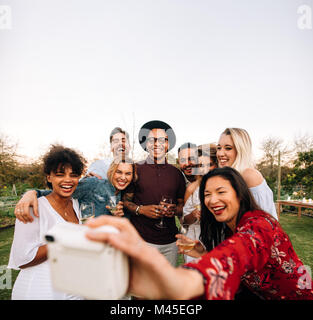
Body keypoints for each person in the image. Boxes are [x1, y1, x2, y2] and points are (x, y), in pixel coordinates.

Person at [86, 167, 313, 300]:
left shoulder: (259, 224)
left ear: (240, 194)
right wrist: (201, 251)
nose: (212, 200)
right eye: (207, 194)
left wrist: (181, 281)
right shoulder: (227, 226)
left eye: (221, 192)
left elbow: (239, 252)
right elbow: (234, 260)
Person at [8, 145, 86, 300]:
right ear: (49, 177)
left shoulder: (78, 206)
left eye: (74, 175)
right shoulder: (34, 208)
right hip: (39, 291)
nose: (68, 180)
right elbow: (22, 259)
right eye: (60, 174)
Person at [123, 120, 186, 267]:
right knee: (144, 288)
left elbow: (182, 205)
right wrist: (141, 210)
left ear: (168, 144)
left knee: (167, 287)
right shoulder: (135, 169)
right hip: (141, 240)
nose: (157, 143)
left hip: (170, 243)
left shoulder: (176, 173)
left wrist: (174, 210)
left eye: (162, 140)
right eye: (152, 139)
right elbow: (125, 202)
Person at [14, 157, 136, 222]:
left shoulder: (124, 196)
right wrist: (32, 193)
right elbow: (56, 193)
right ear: (111, 172)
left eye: (128, 173)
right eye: (119, 172)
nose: (123, 178)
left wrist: (117, 218)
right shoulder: (94, 184)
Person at [217, 128, 278, 220]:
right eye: (219, 148)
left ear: (241, 150)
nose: (220, 153)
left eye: (228, 148)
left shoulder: (250, 176)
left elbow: (266, 218)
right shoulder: (225, 177)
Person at [181, 144, 218, 263]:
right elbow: (183, 221)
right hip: (196, 239)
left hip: (217, 238)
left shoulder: (225, 185)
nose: (205, 169)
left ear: (216, 164)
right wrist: (193, 215)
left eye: (209, 165)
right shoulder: (192, 188)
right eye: (201, 165)